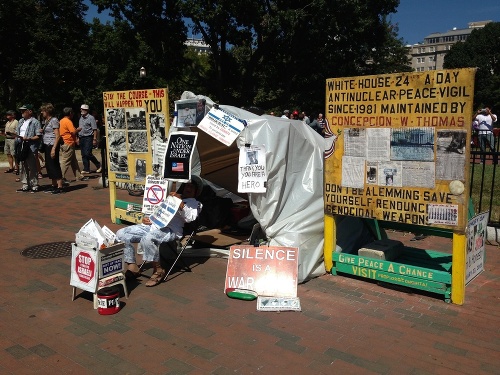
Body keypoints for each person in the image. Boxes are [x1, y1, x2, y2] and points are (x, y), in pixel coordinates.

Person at [115, 176, 203, 287]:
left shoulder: (195, 204)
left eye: (192, 187)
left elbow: (190, 217)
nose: (188, 188)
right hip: (154, 225)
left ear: (196, 191)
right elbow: (160, 211)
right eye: (187, 185)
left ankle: (158, 270)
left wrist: (180, 203)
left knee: (148, 238)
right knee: (121, 234)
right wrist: (148, 218)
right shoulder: (174, 196)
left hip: (171, 230)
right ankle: (132, 266)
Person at [15, 104, 42, 193]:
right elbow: (17, 132)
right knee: (23, 166)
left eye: (24, 111)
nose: (22, 112)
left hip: (30, 146)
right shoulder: (21, 121)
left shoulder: (35, 122)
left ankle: (34, 184)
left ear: (30, 111)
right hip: (21, 145)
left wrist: (29, 138)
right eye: (21, 111)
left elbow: (38, 135)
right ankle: (25, 184)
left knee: (32, 166)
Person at [40, 103, 64, 194]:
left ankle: (60, 186)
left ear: (47, 111)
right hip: (47, 144)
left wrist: (54, 148)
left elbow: (57, 135)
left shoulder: (54, 120)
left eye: (43, 111)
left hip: (52, 144)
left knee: (54, 165)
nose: (42, 112)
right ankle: (53, 185)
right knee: (49, 166)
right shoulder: (47, 121)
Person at [59, 107, 87, 183]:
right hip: (68, 143)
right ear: (70, 113)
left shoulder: (61, 121)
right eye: (72, 113)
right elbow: (73, 132)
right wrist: (78, 130)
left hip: (65, 143)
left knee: (73, 161)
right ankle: (60, 177)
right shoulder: (68, 121)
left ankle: (79, 176)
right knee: (66, 161)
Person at [78, 104, 102, 174]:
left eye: (83, 109)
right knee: (83, 154)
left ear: (87, 110)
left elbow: (94, 129)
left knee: (87, 153)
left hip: (88, 137)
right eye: (81, 109)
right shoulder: (81, 118)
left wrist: (94, 139)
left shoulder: (91, 118)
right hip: (81, 137)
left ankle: (98, 165)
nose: (82, 110)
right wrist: (78, 137)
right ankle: (86, 168)